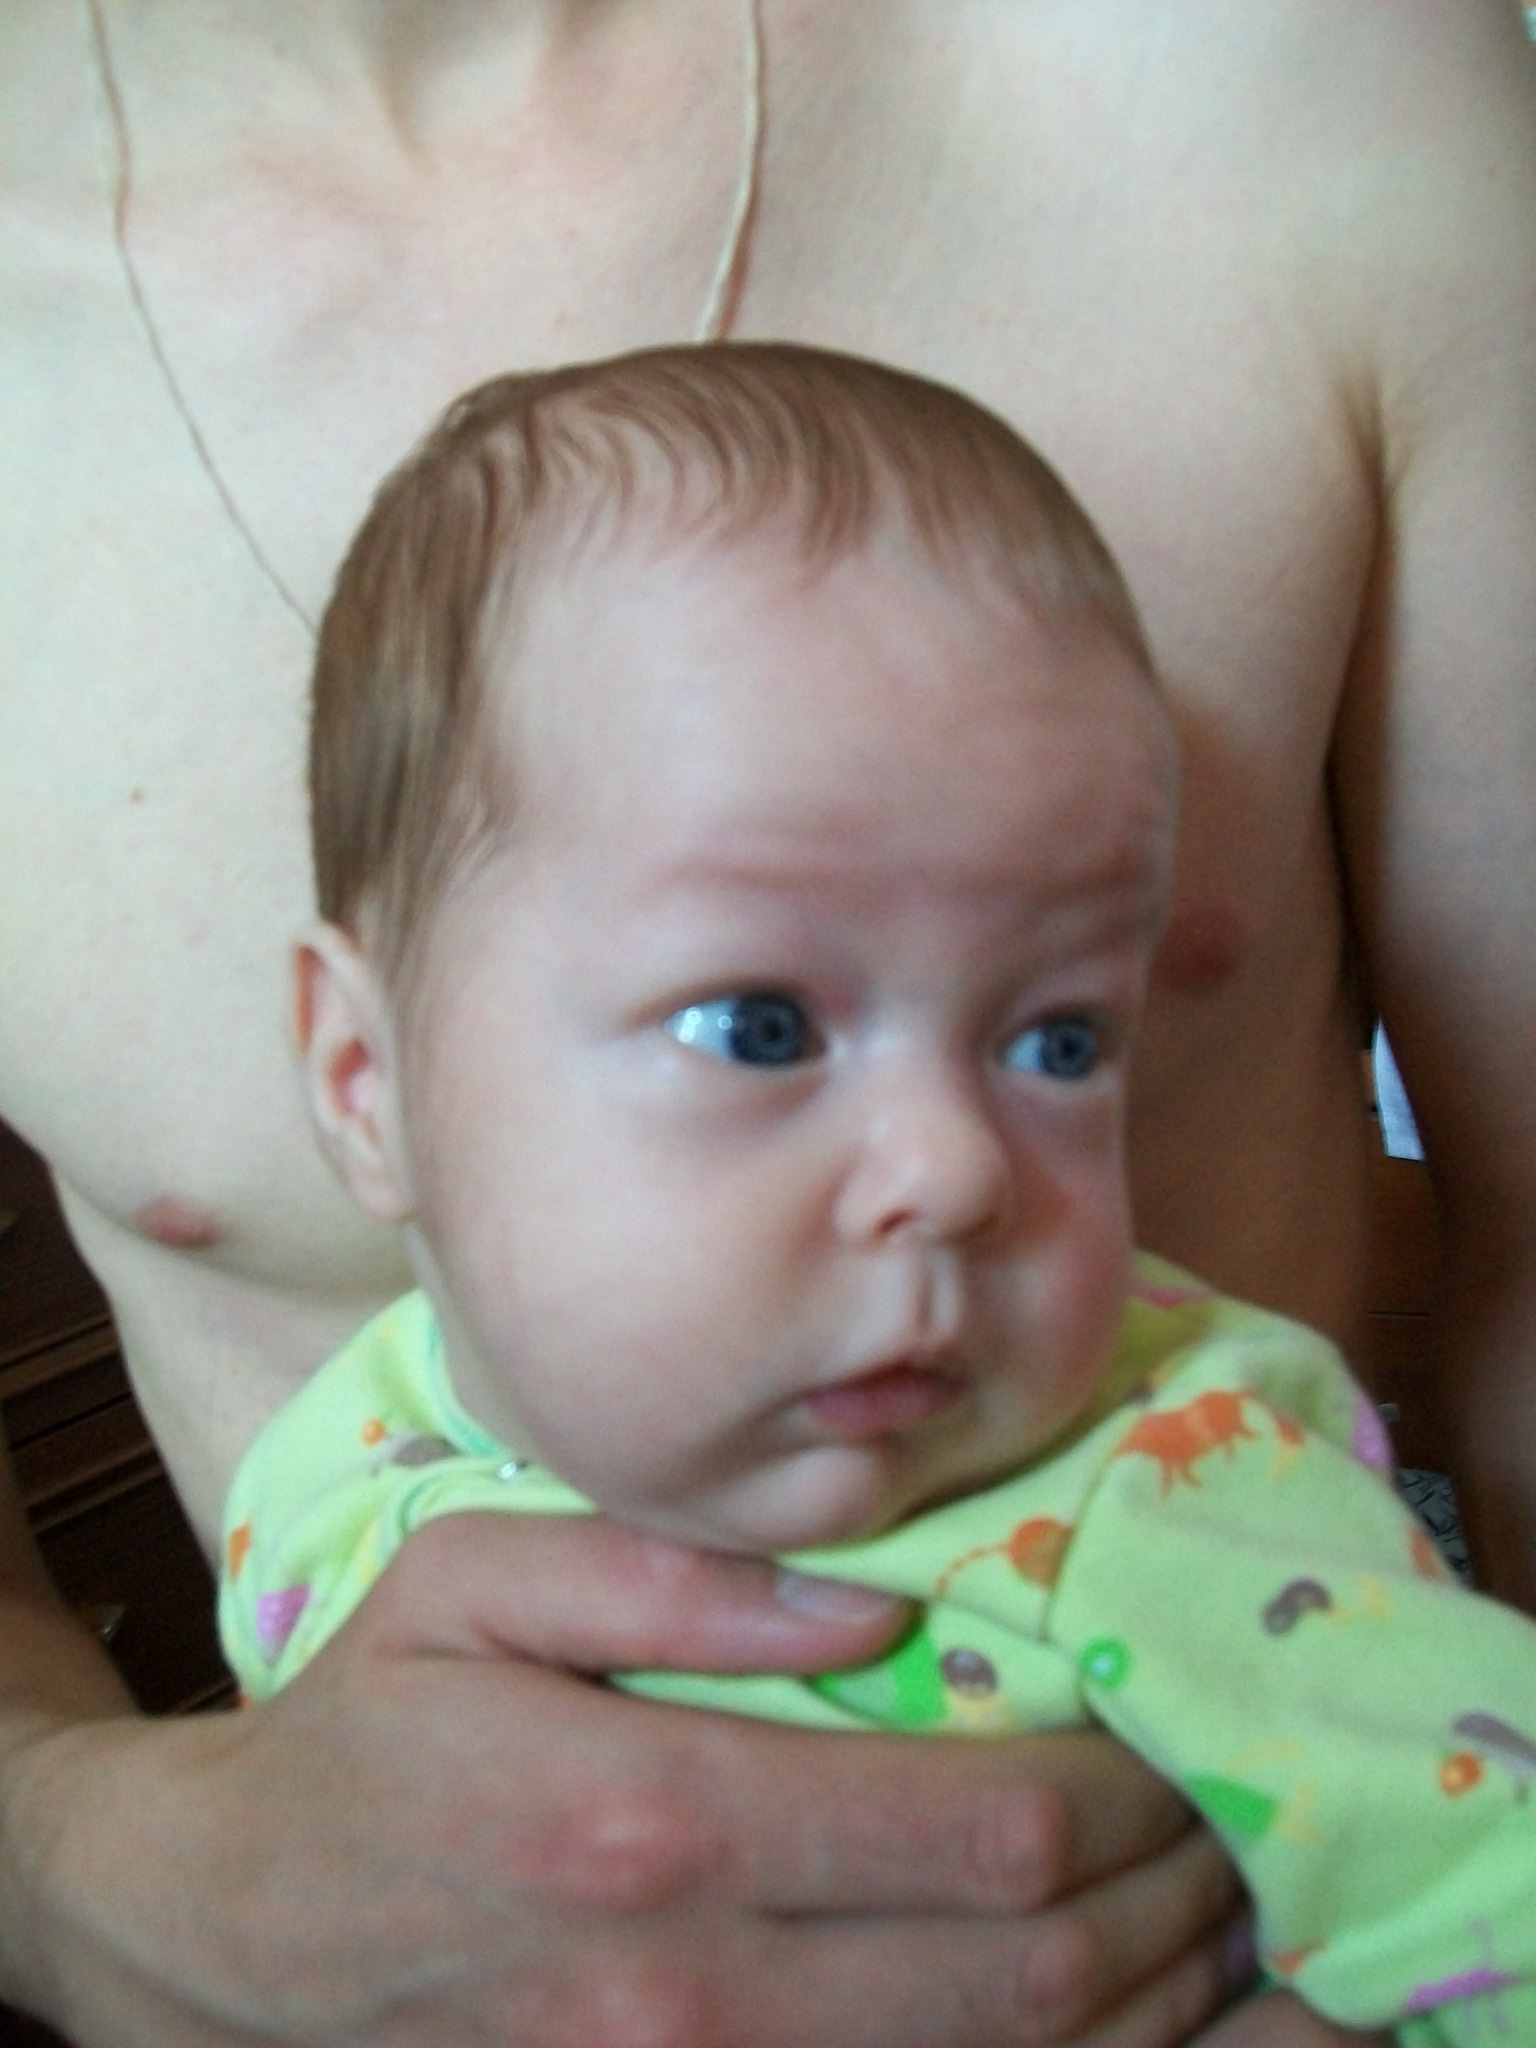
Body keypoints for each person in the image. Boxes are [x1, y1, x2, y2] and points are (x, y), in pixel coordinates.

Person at [2, 4, 1533, 2045]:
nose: (957, 1168)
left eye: (1064, 1044)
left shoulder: (1285, 78)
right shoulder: (348, 1465)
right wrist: (87, 1860)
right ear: (356, 1082)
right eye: (754, 1026)